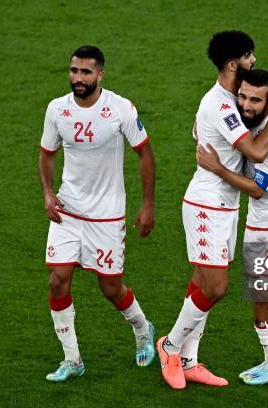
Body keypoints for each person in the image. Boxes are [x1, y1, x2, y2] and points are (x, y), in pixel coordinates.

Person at [156, 31, 268, 390]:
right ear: (232, 64)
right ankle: (171, 346)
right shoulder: (222, 105)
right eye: (248, 55)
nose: (253, 60)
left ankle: (190, 362)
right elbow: (256, 153)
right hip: (206, 204)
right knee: (216, 286)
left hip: (227, 205)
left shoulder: (229, 100)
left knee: (201, 283)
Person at [38, 45, 156, 382]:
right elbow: (46, 154)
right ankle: (72, 360)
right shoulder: (57, 109)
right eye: (74, 71)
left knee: (111, 289)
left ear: (100, 74)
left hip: (106, 216)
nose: (78, 78)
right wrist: (48, 193)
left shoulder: (120, 109)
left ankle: (142, 328)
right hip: (68, 210)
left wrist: (148, 205)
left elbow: (145, 155)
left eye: (85, 72)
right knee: (58, 280)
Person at [196, 69, 268, 385]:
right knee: (257, 290)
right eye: (243, 96)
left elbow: (257, 188)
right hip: (260, 217)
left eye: (255, 100)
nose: (246, 105)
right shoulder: (239, 115)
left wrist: (217, 168)